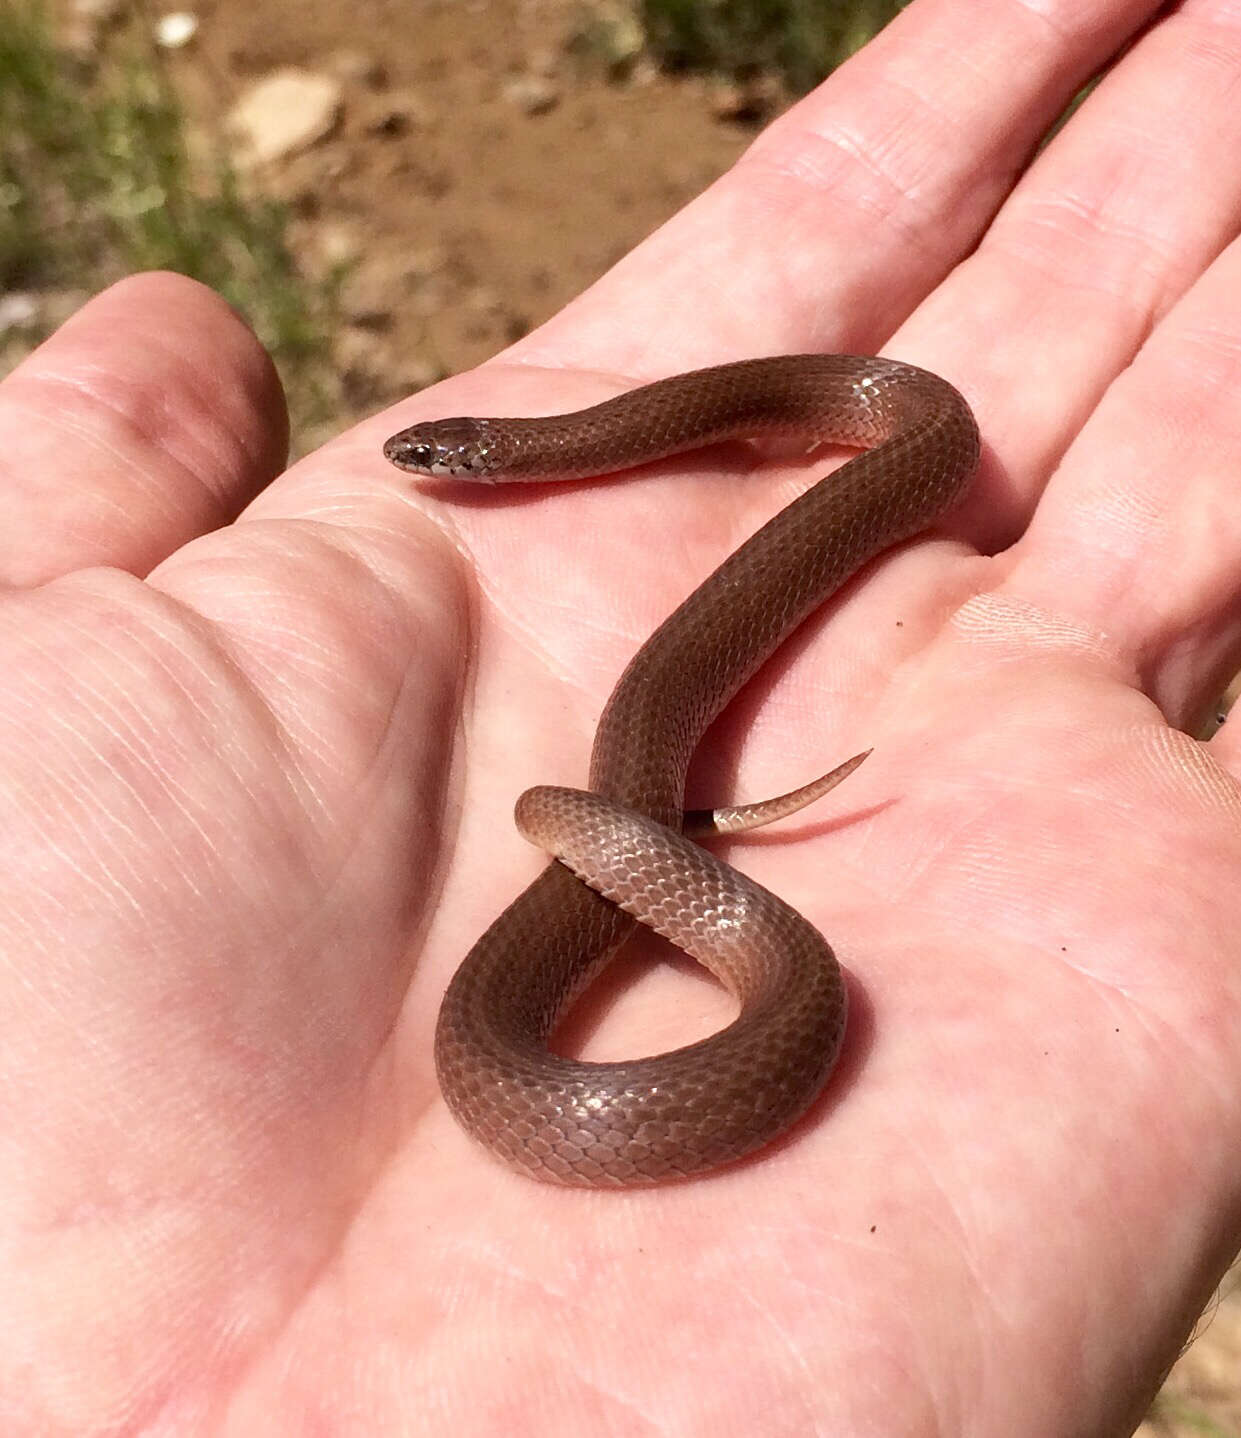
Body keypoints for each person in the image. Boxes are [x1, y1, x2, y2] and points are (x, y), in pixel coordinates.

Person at [5, 0, 1240, 1431]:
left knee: (645, 754)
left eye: (435, 456)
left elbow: (909, 426)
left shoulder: (886, 427)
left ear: (486, 465)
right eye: (425, 454)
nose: (418, 462)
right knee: (624, 800)